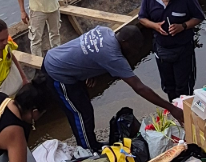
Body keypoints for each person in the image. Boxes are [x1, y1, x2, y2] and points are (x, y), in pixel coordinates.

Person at [43, 25, 183, 151]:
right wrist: (171, 108)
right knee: (80, 113)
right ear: (124, 42)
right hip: (58, 72)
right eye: (134, 48)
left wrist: (91, 70)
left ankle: (92, 144)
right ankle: (87, 150)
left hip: (59, 58)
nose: (135, 52)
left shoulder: (105, 31)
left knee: (86, 109)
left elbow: (89, 49)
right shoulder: (113, 57)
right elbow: (139, 88)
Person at [138, 0, 206, 101]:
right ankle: (173, 107)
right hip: (161, 49)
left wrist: (183, 26)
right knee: (168, 86)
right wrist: (155, 26)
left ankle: (185, 108)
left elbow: (198, 17)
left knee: (184, 86)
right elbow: (142, 18)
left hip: (183, 49)